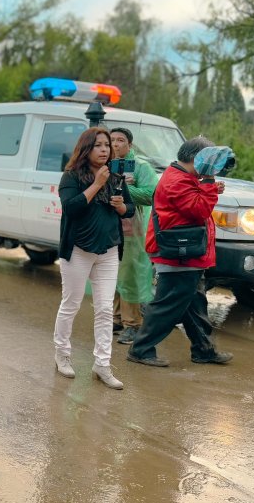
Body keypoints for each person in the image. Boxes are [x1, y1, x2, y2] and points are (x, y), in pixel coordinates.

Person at [127, 137, 232, 368]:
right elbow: (198, 209)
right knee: (169, 304)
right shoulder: (177, 180)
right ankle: (141, 349)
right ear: (197, 158)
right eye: (211, 160)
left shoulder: (184, 177)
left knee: (193, 305)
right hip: (177, 254)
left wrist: (208, 185)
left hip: (186, 252)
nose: (213, 166)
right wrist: (208, 184)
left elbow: (196, 204)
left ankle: (203, 350)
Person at [53, 127, 135, 390]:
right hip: (78, 250)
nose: (104, 150)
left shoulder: (116, 175)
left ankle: (102, 364)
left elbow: (129, 208)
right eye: (98, 145)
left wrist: (122, 207)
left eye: (107, 145)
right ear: (86, 149)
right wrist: (97, 184)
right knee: (71, 304)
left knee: (105, 309)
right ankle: (62, 354)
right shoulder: (71, 176)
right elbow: (71, 208)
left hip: (108, 251)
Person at [110, 127, 158, 345]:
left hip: (132, 230)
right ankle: (116, 318)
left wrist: (123, 193)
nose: (115, 144)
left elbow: (151, 194)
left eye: (120, 140)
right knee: (113, 274)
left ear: (130, 145)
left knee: (129, 275)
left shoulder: (140, 167)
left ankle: (133, 324)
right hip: (110, 229)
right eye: (111, 140)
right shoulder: (106, 165)